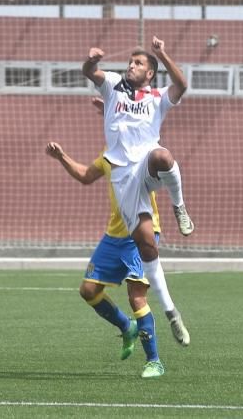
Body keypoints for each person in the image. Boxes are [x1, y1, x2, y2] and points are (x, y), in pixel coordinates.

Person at [45, 140, 190, 379]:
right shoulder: (107, 154)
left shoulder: (142, 151)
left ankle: (154, 361)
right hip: (113, 235)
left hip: (140, 231)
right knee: (89, 290)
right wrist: (62, 156)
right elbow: (85, 175)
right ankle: (127, 327)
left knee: (136, 296)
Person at [81, 36, 194, 343]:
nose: (131, 65)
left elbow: (182, 85)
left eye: (139, 63)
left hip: (147, 168)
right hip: (124, 180)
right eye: (130, 61)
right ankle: (172, 313)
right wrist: (92, 60)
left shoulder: (157, 97)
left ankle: (179, 206)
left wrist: (162, 52)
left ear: (150, 73)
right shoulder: (113, 87)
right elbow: (91, 72)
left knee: (163, 155)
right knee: (147, 247)